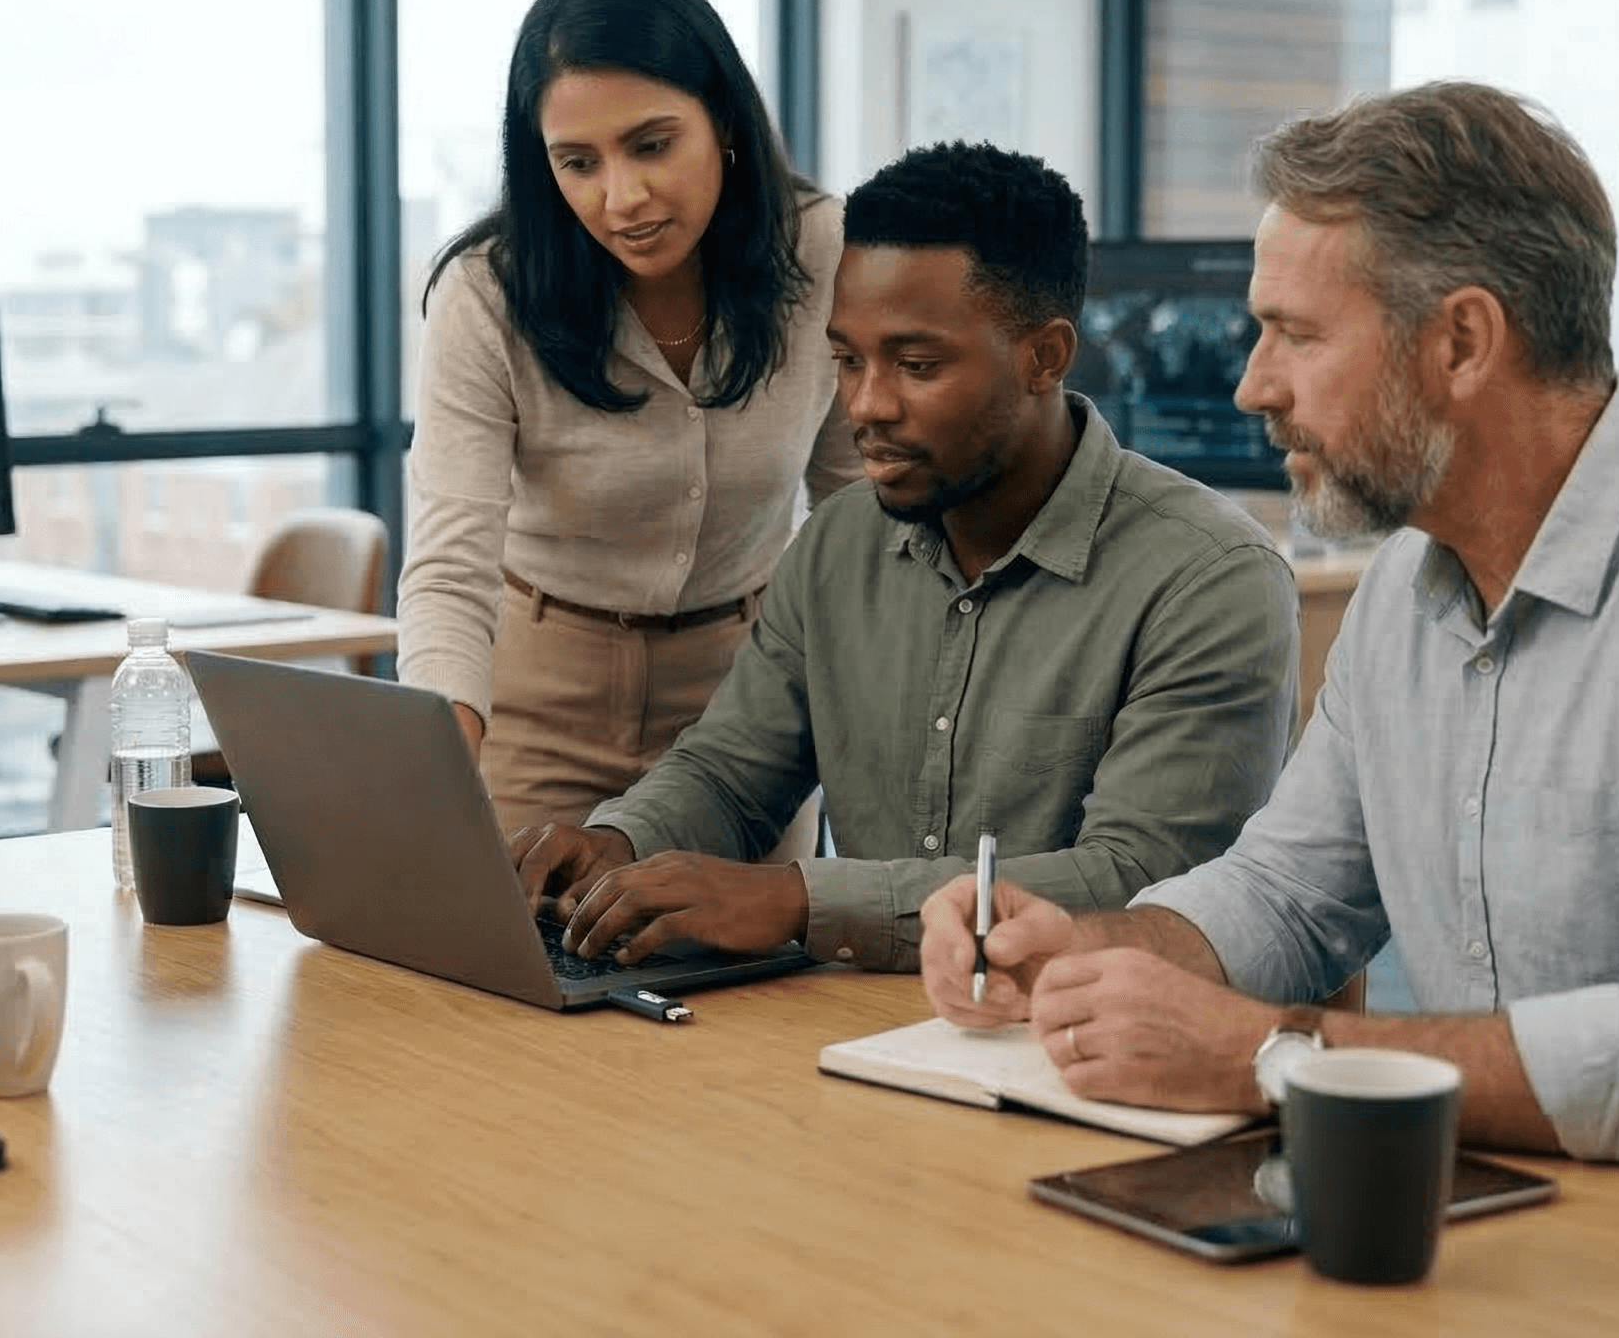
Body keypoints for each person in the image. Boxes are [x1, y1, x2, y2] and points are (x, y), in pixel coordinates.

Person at [918, 81, 1619, 1207]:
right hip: (1575, 1216)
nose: (1253, 384)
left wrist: (1265, 1055)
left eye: (1294, 334)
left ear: (1459, 341)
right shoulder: (1409, 581)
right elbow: (1292, 892)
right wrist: (1090, 953)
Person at [512, 141, 1299, 973]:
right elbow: (730, 773)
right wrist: (618, 841)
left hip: (1078, 1049)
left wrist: (800, 899)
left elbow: (1141, 885)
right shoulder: (836, 544)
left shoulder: (1212, 579)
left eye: (916, 366)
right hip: (849, 1036)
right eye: (847, 360)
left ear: (1046, 357)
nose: (866, 405)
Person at [399, 0, 864, 838]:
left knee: (758, 975)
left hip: (748, 705)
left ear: (722, 117)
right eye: (578, 162)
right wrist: (435, 767)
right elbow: (451, 567)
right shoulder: (489, 295)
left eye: (652, 145)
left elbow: (857, 510)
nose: (622, 199)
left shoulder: (822, 248)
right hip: (536, 705)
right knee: (500, 970)